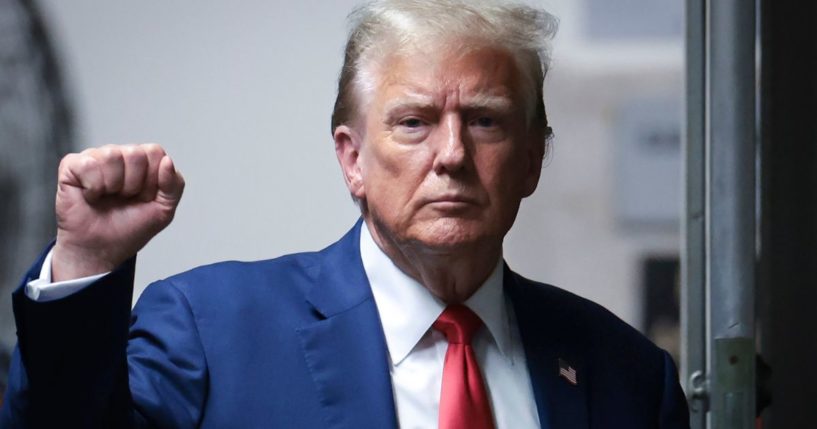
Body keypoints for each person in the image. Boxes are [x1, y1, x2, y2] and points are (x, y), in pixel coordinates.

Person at [1, 0, 690, 428]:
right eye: (414, 122)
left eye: (484, 121)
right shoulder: (209, 331)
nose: (451, 154)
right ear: (351, 158)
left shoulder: (625, 373)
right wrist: (87, 264)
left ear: (533, 160)